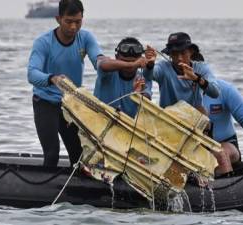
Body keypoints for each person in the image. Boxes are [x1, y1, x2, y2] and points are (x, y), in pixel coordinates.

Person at [27, 0, 103, 167]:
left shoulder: (86, 38)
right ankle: (47, 191)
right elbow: (32, 74)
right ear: (58, 19)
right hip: (45, 103)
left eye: (78, 21)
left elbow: (99, 60)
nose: (74, 27)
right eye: (69, 22)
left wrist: (118, 66)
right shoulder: (43, 42)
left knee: (80, 157)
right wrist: (51, 78)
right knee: (52, 153)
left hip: (71, 105)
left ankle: (75, 192)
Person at [146, 32, 219, 115]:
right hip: (169, 118)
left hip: (194, 119)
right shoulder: (163, 67)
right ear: (169, 54)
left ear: (191, 52)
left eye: (183, 53)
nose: (179, 58)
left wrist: (197, 78)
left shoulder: (201, 68)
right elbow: (148, 76)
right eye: (174, 54)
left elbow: (215, 93)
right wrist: (150, 64)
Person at [94, 37, 156, 117]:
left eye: (133, 61)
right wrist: (133, 64)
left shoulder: (141, 79)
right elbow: (102, 64)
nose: (129, 66)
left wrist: (137, 95)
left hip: (126, 125)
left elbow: (147, 99)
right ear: (116, 57)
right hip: (100, 118)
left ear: (141, 59)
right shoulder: (107, 71)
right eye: (125, 61)